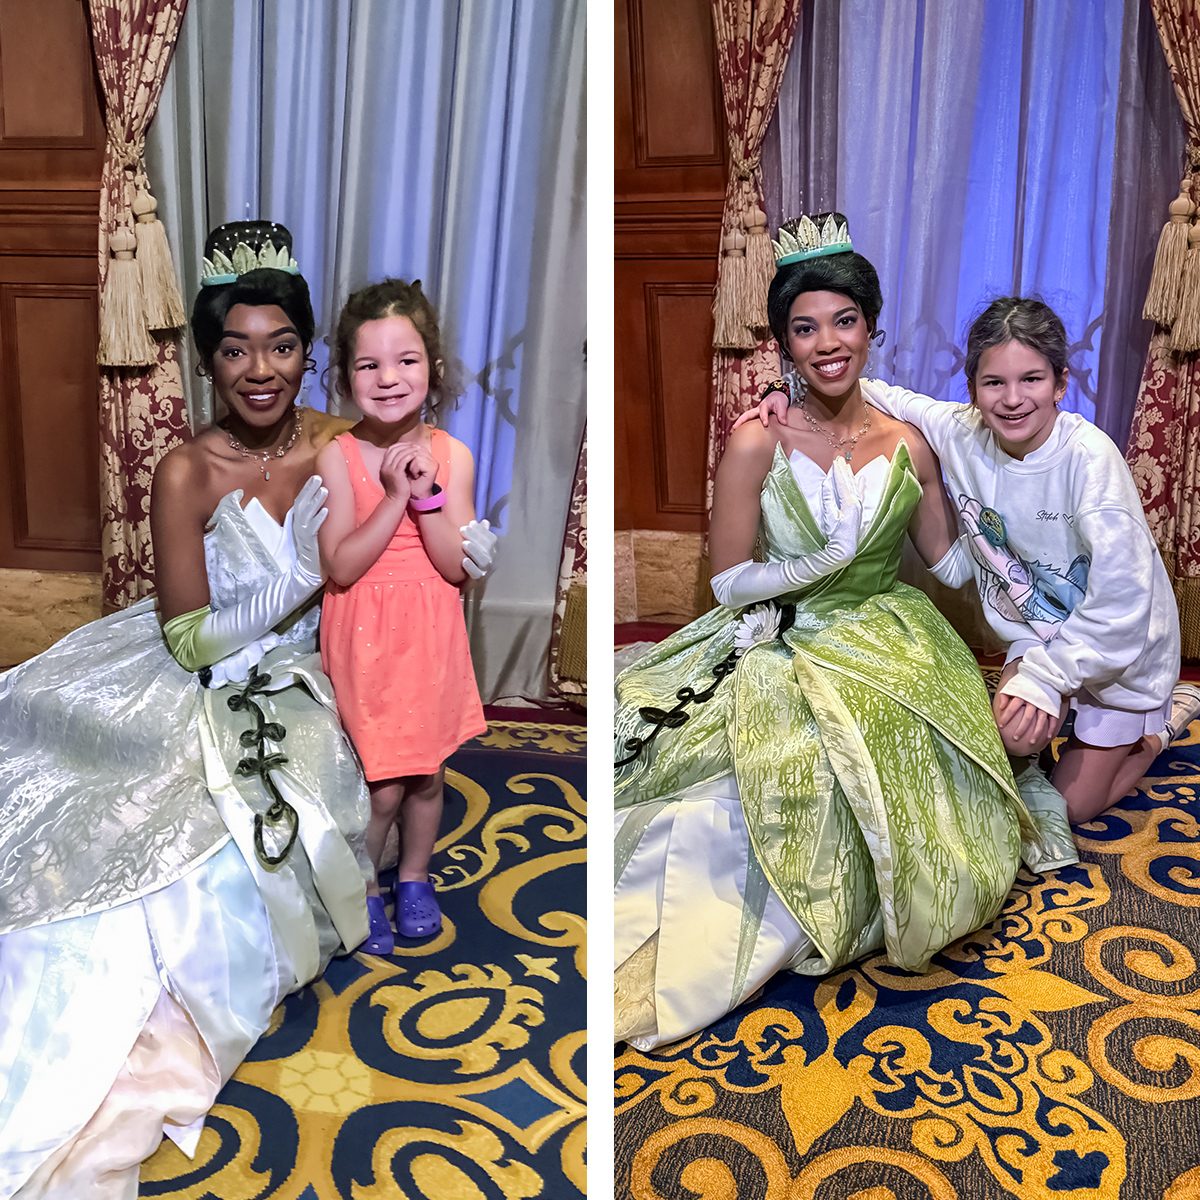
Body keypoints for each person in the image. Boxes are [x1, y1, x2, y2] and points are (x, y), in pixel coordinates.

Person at [0, 222, 495, 1199]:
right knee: (124, 804)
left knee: (268, 829)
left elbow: (423, 530)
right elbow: (190, 640)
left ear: (308, 354)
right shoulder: (186, 470)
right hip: (201, 666)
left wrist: (458, 541)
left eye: (279, 346)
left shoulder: (343, 443)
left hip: (322, 672)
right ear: (208, 360)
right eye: (235, 348)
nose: (259, 368)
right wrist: (300, 587)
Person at [613, 213, 1077, 1051]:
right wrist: (812, 565)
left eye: (844, 320)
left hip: (890, 639)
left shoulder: (912, 443)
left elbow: (950, 561)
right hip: (782, 638)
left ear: (872, 328)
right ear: (784, 344)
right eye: (805, 327)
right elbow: (723, 581)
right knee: (764, 781)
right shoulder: (755, 439)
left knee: (909, 799)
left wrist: (1037, 544)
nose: (827, 342)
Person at [742, 293, 1197, 825]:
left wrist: (1047, 680)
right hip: (1039, 631)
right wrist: (782, 387)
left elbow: (1121, 610)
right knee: (1010, 744)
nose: (1012, 399)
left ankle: (1160, 728)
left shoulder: (1091, 462)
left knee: (1071, 808)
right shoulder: (960, 431)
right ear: (972, 390)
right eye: (994, 383)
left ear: (1061, 383)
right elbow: (869, 390)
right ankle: (1067, 712)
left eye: (1031, 379)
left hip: (1120, 647)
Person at [317, 279, 486, 954]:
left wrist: (427, 494)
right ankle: (362, 887)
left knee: (426, 773)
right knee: (379, 785)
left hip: (429, 633)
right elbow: (342, 567)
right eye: (369, 365)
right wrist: (390, 495)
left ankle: (414, 877)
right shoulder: (337, 456)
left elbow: (454, 565)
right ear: (346, 375)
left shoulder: (453, 456)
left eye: (406, 360)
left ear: (433, 368)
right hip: (365, 635)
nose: (389, 379)